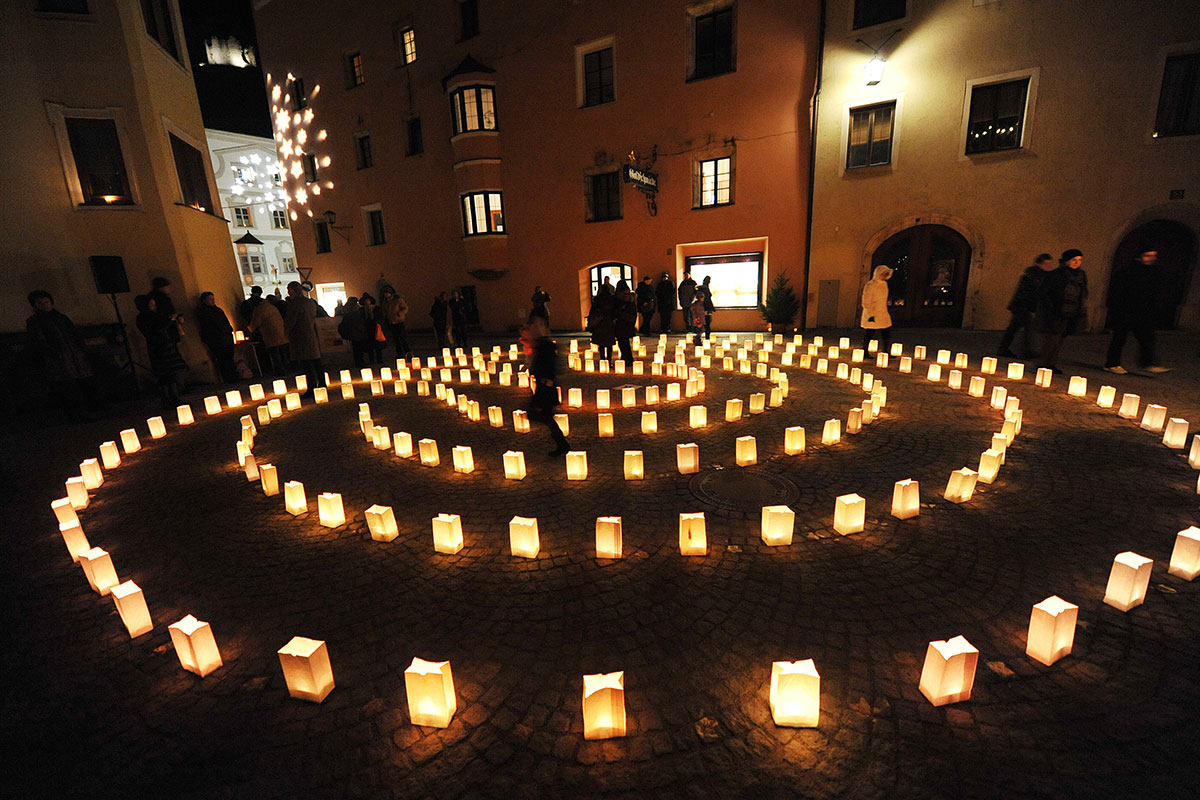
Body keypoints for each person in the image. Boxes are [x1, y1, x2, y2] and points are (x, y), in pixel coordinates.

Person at [25, 290, 97, 420]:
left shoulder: (61, 318)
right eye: (40, 303)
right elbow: (39, 341)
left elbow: (73, 334)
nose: (44, 305)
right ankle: (76, 414)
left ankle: (89, 408)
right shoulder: (35, 322)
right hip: (58, 358)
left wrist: (81, 350)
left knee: (81, 382)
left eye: (46, 302)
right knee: (67, 387)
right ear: (35, 305)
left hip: (73, 355)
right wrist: (53, 353)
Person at [1105, 247, 1171, 374]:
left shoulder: (1154, 272)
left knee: (1147, 337)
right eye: (1147, 255)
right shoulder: (1127, 272)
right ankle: (1112, 363)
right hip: (1126, 311)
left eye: (1153, 256)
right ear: (1139, 256)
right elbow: (1117, 292)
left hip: (1144, 312)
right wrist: (1117, 309)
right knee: (1119, 338)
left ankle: (1148, 362)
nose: (1151, 259)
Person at [523, 316, 570, 457]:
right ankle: (562, 444)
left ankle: (562, 444)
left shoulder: (546, 346)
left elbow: (551, 366)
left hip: (545, 387)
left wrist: (548, 380)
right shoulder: (540, 344)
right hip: (543, 386)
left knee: (541, 415)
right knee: (546, 416)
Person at [1036, 249, 1089, 374]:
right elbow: (1044, 293)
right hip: (1056, 312)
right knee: (1052, 339)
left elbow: (1082, 293)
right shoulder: (1056, 274)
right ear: (1067, 261)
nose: (1077, 263)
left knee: (1060, 340)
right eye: (1074, 260)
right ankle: (1044, 363)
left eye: (1079, 260)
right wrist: (1051, 308)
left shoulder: (1081, 275)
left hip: (1071, 312)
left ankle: (1052, 363)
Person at [135, 294, 186, 409]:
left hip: (167, 345)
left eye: (154, 304)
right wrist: (168, 321)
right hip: (158, 348)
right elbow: (155, 330)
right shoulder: (143, 318)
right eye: (151, 304)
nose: (154, 306)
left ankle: (174, 397)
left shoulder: (157, 315)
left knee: (172, 373)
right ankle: (167, 399)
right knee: (164, 375)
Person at [998, 254, 1054, 358]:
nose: (1049, 266)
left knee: (1014, 328)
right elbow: (1033, 292)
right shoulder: (1034, 275)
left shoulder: (1036, 274)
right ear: (1039, 263)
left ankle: (1003, 348)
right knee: (1028, 328)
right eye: (1046, 264)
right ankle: (1025, 351)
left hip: (1022, 305)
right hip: (1022, 306)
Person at [283, 281, 325, 392]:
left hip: (300, 336)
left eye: (289, 289)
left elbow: (291, 320)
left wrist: (286, 332)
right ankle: (322, 383)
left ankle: (311, 388)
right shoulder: (310, 302)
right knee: (316, 361)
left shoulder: (295, 304)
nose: (288, 291)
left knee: (307, 363)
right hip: (310, 333)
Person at [196, 292, 236, 383]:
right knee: (222, 359)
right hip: (217, 340)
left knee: (229, 358)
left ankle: (233, 376)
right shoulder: (204, 312)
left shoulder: (218, 310)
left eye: (213, 298)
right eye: (210, 299)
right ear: (204, 300)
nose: (213, 301)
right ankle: (228, 378)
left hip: (225, 338)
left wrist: (229, 331)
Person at [249, 293, 289, 375]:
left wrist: (250, 330)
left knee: (275, 355)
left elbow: (255, 323)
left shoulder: (260, 309)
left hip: (271, 335)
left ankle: (280, 371)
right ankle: (287, 369)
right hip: (281, 333)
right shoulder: (271, 307)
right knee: (283, 353)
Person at [860, 265, 894, 351]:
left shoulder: (884, 284)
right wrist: (870, 314)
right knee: (870, 333)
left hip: (882, 312)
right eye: (884, 274)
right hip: (872, 313)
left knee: (886, 332)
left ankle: (886, 351)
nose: (885, 277)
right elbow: (866, 301)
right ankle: (865, 351)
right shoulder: (870, 285)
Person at [337, 296, 372, 367]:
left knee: (356, 348)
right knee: (358, 348)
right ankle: (359, 362)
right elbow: (357, 322)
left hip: (353, 333)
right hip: (357, 332)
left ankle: (359, 361)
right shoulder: (354, 311)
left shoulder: (347, 311)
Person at [587, 283, 617, 361]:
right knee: (609, 344)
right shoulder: (612, 300)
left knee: (601, 344)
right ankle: (609, 360)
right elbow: (614, 311)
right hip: (609, 323)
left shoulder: (597, 300)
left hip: (599, 324)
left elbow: (592, 312)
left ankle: (602, 359)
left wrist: (590, 323)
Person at [380, 285, 411, 359]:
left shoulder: (397, 300)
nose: (386, 295)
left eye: (387, 293)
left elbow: (405, 308)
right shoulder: (385, 302)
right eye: (384, 293)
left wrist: (399, 313)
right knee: (395, 338)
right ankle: (399, 353)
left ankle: (407, 352)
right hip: (391, 322)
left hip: (399, 321)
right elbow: (384, 310)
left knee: (402, 337)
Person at [614, 279, 638, 362]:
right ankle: (628, 357)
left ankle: (626, 358)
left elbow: (616, 310)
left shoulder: (619, 297)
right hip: (629, 321)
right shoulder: (632, 297)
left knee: (622, 341)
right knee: (626, 341)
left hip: (621, 321)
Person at [360, 293, 384, 365]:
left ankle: (379, 359)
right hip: (367, 328)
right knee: (370, 345)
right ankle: (372, 360)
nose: (367, 302)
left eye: (368, 300)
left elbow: (380, 317)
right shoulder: (361, 310)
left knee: (377, 344)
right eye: (365, 301)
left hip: (375, 327)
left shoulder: (376, 308)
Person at [700, 275, 715, 340]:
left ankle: (706, 336)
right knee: (707, 323)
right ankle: (707, 336)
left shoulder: (703, 288)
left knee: (705, 323)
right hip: (706, 307)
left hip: (705, 307)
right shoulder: (705, 288)